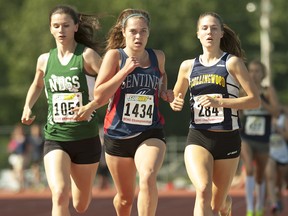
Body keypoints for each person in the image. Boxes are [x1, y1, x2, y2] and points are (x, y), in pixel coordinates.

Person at [73, 8, 174, 216]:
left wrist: (164, 91)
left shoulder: (158, 57)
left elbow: (162, 76)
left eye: (143, 31)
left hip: (150, 131)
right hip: (118, 134)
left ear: (149, 33)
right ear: (124, 32)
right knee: (125, 198)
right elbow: (100, 94)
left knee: (147, 176)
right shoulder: (114, 56)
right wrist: (124, 71)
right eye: (134, 31)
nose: (138, 36)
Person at [170, 12, 260, 216]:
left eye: (214, 28)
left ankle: (225, 205)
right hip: (198, 136)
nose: (209, 32)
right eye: (204, 28)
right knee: (202, 190)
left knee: (217, 205)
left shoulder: (232, 63)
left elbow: (254, 101)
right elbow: (176, 97)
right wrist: (175, 102)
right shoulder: (187, 66)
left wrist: (219, 102)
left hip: (227, 138)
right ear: (198, 34)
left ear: (221, 33)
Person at [21, 4, 102, 215]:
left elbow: (111, 86)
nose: (60, 30)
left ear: (75, 27)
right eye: (56, 26)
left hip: (86, 138)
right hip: (56, 137)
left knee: (80, 204)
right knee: (59, 194)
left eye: (65, 25)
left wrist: (92, 105)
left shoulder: (87, 56)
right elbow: (38, 84)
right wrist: (27, 106)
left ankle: (77, 187)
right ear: (50, 29)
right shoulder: (45, 60)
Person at [240, 60, 280, 216]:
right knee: (249, 168)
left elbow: (276, 112)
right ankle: (250, 207)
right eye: (251, 71)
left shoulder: (268, 90)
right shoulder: (244, 90)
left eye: (257, 71)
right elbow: (237, 111)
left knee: (260, 175)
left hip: (263, 139)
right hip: (246, 137)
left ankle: (259, 206)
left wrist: (262, 102)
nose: (254, 74)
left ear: (263, 74)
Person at [265, 108, 288, 215]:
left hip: (283, 155)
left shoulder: (284, 119)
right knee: (270, 178)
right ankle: (274, 203)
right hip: (270, 153)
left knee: (279, 183)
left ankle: (278, 198)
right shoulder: (265, 118)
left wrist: (278, 129)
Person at [7, 123, 29, 191]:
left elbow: (28, 148)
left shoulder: (25, 138)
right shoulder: (14, 139)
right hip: (15, 157)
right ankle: (20, 184)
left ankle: (21, 186)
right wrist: (13, 147)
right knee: (15, 172)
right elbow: (10, 148)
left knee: (20, 171)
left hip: (22, 156)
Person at [27, 123, 45, 189]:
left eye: (37, 130)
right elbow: (28, 148)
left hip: (40, 156)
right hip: (33, 157)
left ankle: (38, 183)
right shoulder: (30, 139)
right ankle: (36, 183)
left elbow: (44, 147)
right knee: (35, 170)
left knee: (38, 171)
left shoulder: (42, 138)